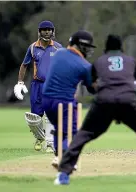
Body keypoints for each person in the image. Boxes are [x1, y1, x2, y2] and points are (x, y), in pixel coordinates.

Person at [54, 34, 136, 185]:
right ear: (121, 47)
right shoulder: (131, 61)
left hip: (104, 101)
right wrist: (133, 103)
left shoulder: (98, 62)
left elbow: (94, 86)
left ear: (106, 48)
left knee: (83, 134)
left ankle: (63, 175)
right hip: (128, 100)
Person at [41, 30, 96, 168]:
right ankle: (65, 158)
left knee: (59, 129)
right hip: (64, 101)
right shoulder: (85, 65)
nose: (88, 50)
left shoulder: (59, 53)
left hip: (46, 101)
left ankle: (58, 157)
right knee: (71, 133)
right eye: (87, 47)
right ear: (79, 45)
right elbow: (92, 88)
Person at [13, 20, 62, 153]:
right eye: (44, 29)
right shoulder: (33, 47)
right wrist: (20, 82)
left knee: (51, 114)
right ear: (39, 32)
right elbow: (24, 65)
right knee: (35, 116)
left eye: (49, 29)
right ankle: (39, 138)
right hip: (37, 85)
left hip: (53, 85)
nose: (47, 31)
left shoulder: (58, 48)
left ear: (53, 31)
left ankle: (51, 142)